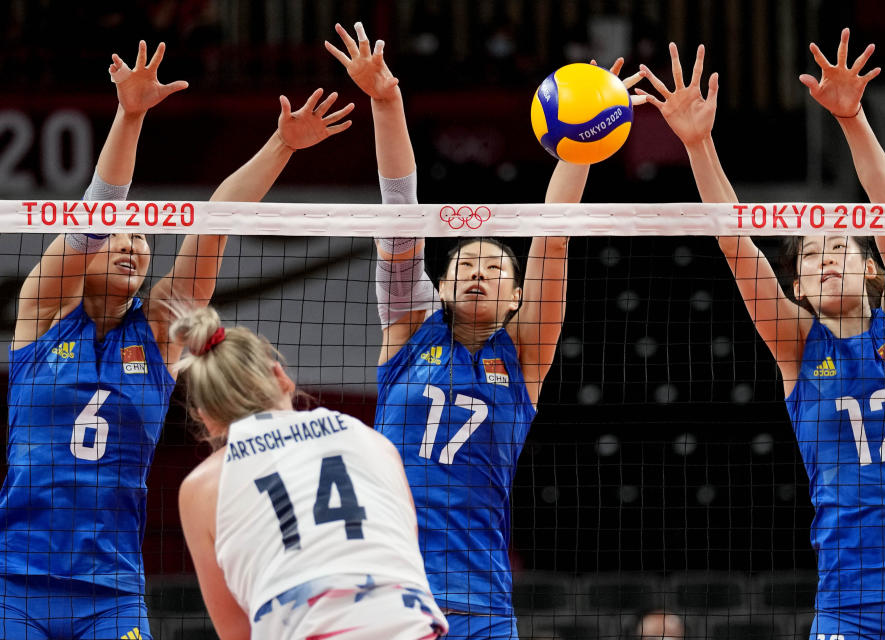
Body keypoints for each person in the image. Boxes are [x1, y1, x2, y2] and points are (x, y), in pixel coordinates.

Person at [0, 41, 354, 640]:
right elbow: (95, 218)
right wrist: (129, 115)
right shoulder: (42, 310)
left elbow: (213, 224)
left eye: (144, 239)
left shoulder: (161, 329)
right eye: (122, 233)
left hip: (110, 593)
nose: (134, 242)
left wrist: (282, 145)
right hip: (15, 586)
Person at [636, 29, 885, 640]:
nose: (828, 257)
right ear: (798, 287)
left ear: (870, 265)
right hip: (849, 603)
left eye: (840, 245)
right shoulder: (796, 344)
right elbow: (734, 244)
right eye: (810, 256)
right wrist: (700, 146)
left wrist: (853, 118)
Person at [325, 21, 641, 640]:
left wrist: (585, 139)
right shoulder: (408, 330)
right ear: (440, 287)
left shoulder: (526, 354)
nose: (476, 272)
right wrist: (385, 102)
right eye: (463, 264)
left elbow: (552, 235)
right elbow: (400, 219)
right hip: (390, 593)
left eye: (495, 267)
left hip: (481, 596)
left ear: (517, 296)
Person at [175, 306, 449, 640]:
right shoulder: (369, 439)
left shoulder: (202, 486)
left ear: (206, 418)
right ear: (281, 376)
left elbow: (237, 633)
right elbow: (405, 554)